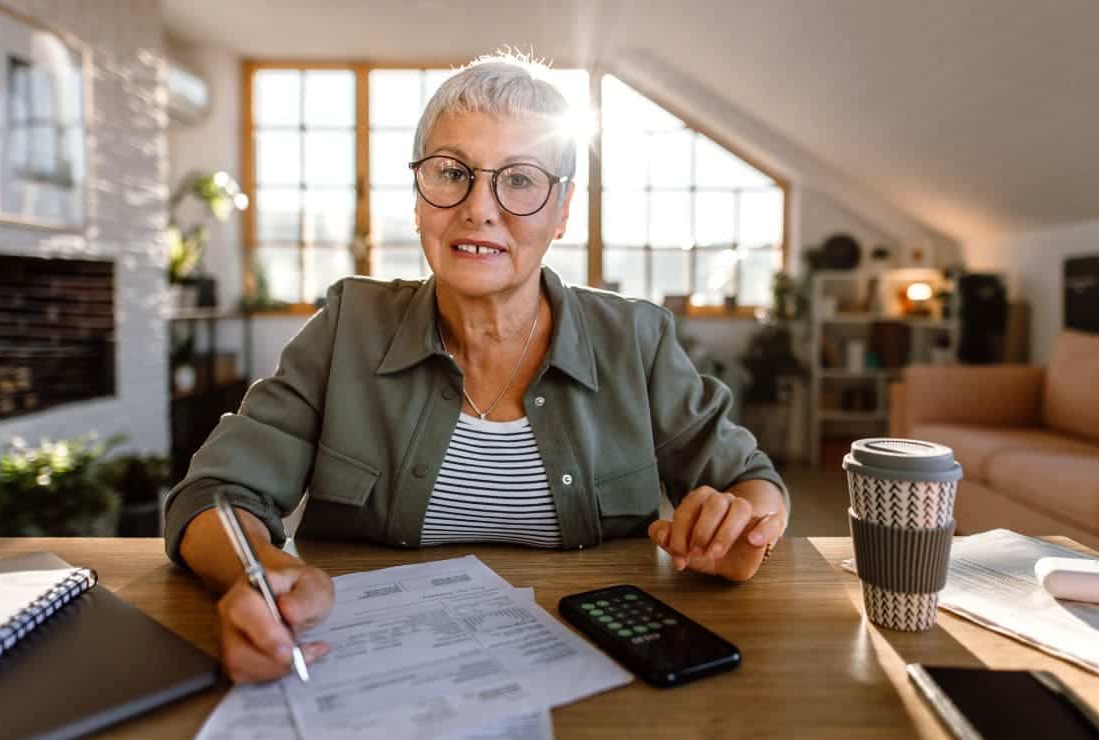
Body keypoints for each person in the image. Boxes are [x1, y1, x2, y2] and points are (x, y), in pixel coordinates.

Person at [164, 52, 789, 684]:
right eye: (451, 171)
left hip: (599, 673)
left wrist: (739, 531)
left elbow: (751, 481)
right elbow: (214, 494)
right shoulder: (347, 326)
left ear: (563, 211)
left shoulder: (636, 339)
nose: (479, 208)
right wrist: (261, 576)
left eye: (519, 179)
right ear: (418, 197)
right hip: (370, 674)